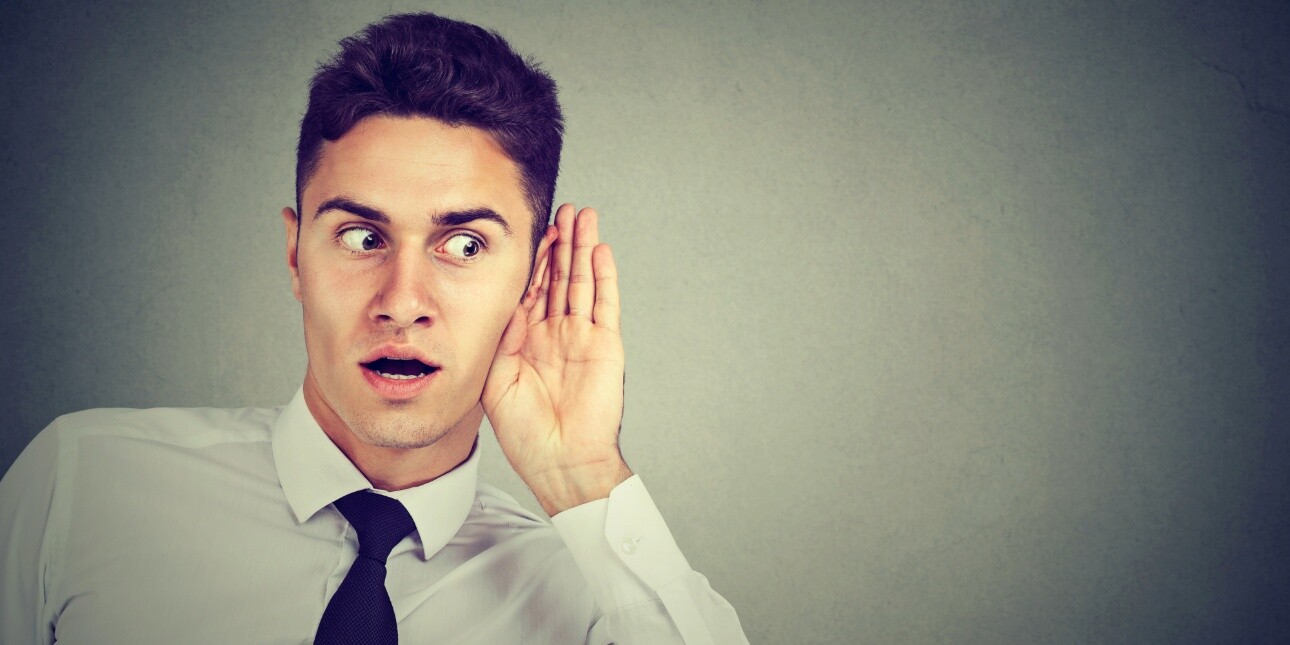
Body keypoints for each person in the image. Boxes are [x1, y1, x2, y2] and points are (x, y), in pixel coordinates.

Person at [0, 12, 748, 644]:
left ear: (534, 277)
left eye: (464, 245)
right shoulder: (83, 484)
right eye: (362, 236)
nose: (402, 300)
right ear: (296, 254)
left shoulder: (592, 601)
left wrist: (584, 479)